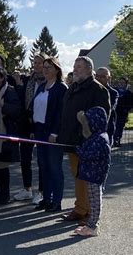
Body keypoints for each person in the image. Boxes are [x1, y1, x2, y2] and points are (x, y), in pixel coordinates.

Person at [57, 56, 110, 222]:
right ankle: (82, 208)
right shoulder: (73, 87)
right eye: (74, 66)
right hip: (71, 140)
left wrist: (87, 132)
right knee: (77, 175)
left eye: (79, 66)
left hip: (87, 142)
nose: (75, 69)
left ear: (89, 69)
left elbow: (102, 116)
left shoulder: (98, 90)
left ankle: (85, 210)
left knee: (86, 178)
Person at [30, 57, 68, 212]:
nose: (45, 70)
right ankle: (46, 199)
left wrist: (55, 132)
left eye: (49, 67)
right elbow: (35, 108)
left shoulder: (61, 88)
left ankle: (56, 201)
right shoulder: (41, 87)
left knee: (54, 168)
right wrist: (33, 129)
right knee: (43, 167)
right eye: (44, 67)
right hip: (40, 132)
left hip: (52, 134)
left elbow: (61, 113)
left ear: (57, 70)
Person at [12, 53, 47, 204]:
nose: (36, 65)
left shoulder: (49, 81)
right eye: (35, 62)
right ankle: (27, 188)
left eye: (40, 63)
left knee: (41, 159)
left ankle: (41, 191)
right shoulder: (28, 80)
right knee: (25, 158)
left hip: (41, 123)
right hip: (27, 122)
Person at [74, 107, 111, 237]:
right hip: (92, 174)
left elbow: (88, 155)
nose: (87, 124)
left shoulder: (100, 138)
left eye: (89, 122)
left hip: (95, 175)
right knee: (92, 199)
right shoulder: (96, 136)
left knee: (95, 201)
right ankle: (90, 224)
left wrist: (78, 150)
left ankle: (93, 226)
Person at [0, 66, 23, 205]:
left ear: (2, 77)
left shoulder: (9, 91)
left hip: (4, 134)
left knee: (2, 166)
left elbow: (17, 110)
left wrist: (3, 105)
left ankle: (5, 193)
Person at [95, 67, 118, 145]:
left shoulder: (113, 93)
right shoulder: (89, 90)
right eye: (97, 76)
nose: (99, 79)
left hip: (106, 129)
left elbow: (108, 108)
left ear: (109, 78)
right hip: (89, 129)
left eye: (103, 76)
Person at [113, 77, 133, 147]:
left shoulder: (128, 93)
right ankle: (114, 139)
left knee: (120, 127)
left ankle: (117, 139)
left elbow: (131, 103)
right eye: (120, 82)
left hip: (123, 114)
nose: (121, 84)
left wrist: (127, 109)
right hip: (114, 113)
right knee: (114, 126)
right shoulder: (114, 91)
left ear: (126, 84)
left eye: (123, 83)